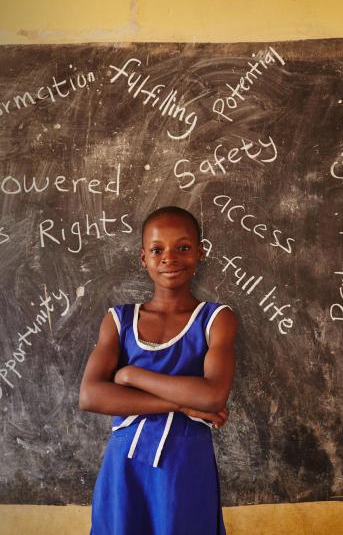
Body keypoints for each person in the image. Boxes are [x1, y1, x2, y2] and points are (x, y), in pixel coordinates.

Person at [79, 206, 238, 535]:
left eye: (182, 247)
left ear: (199, 252)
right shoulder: (119, 320)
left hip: (184, 465)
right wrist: (181, 403)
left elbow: (211, 395)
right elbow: (91, 395)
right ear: (143, 257)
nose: (170, 258)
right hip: (125, 468)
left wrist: (130, 376)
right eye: (157, 249)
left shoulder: (216, 318)